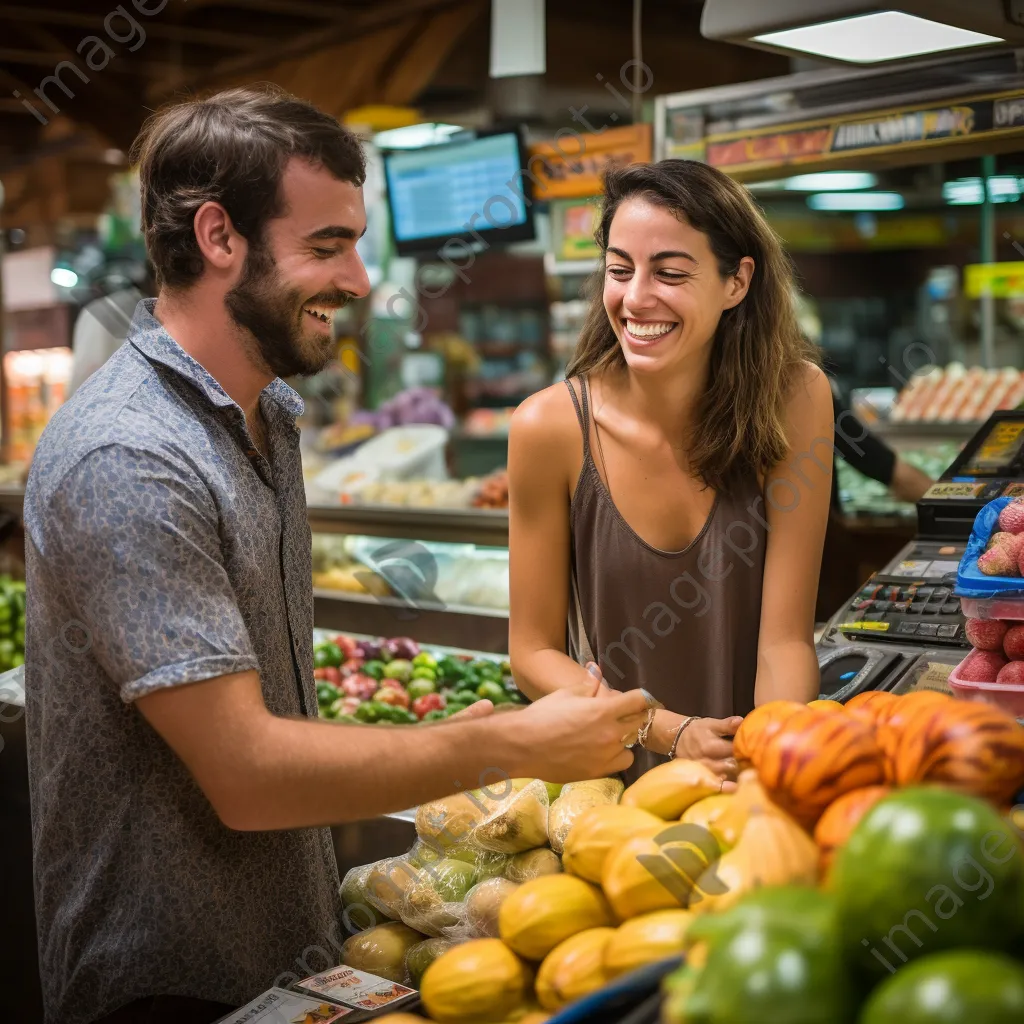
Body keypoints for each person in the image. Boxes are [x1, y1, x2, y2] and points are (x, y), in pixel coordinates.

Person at [23, 86, 649, 1024]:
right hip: (167, 979)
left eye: (354, 243)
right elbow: (245, 774)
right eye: (325, 247)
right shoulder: (131, 456)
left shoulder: (266, 415)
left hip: (280, 950)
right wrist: (505, 744)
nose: (357, 281)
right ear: (219, 237)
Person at [507, 160, 834, 782]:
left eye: (671, 273)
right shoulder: (547, 428)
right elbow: (533, 653)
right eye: (619, 270)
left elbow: (786, 640)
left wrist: (770, 762)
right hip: (609, 784)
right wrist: (667, 732)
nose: (634, 299)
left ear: (737, 282)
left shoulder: (796, 399)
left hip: (750, 770)